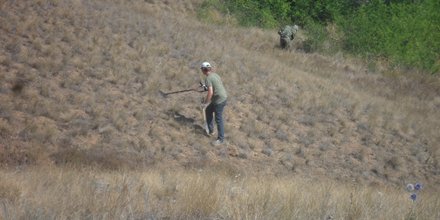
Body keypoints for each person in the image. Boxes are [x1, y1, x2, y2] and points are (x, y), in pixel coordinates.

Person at [200, 62, 227, 146]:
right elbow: (215, 85)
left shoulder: (208, 79)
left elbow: (210, 92)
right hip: (223, 97)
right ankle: (211, 131)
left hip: (219, 101)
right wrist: (206, 87)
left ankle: (221, 139)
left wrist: (205, 103)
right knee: (208, 111)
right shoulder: (215, 75)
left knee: (218, 119)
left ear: (204, 70)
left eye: (202, 69)